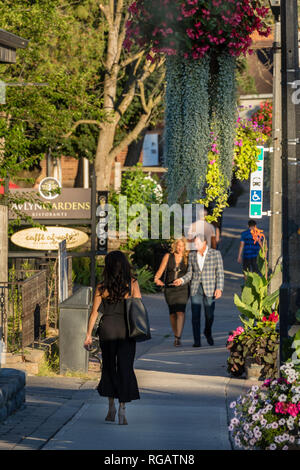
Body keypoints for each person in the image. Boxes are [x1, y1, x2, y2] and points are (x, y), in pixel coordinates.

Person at [84, 251, 141, 425]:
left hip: (107, 330)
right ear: (124, 265)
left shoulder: (102, 287)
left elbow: (94, 314)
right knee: (125, 367)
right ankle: (122, 409)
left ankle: (110, 408)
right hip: (126, 331)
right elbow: (138, 307)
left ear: (108, 266)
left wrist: (88, 335)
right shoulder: (132, 284)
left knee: (109, 368)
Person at [173, 234, 224, 347]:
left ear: (205, 242)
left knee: (209, 315)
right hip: (196, 288)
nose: (195, 245)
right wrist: (181, 280)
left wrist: (219, 288)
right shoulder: (192, 255)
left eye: (198, 243)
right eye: (194, 243)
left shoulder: (215, 254)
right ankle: (197, 341)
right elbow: (190, 273)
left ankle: (207, 331)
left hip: (210, 288)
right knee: (195, 315)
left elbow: (220, 273)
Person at [154, 238, 189, 346]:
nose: (180, 248)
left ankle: (178, 337)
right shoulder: (168, 256)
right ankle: (175, 334)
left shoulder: (188, 258)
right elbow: (161, 270)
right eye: (178, 245)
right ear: (175, 246)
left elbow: (191, 273)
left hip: (183, 288)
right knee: (173, 313)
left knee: (181, 312)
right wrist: (156, 278)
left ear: (185, 247)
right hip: (170, 289)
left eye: (182, 246)